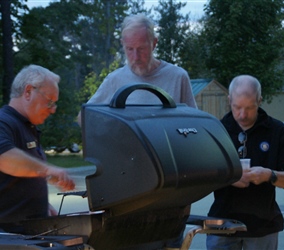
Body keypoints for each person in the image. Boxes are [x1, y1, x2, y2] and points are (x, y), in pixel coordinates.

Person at [77, 13, 197, 249]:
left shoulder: (177, 77)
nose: (135, 57)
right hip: (129, 189)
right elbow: (85, 119)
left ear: (154, 43)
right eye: (129, 49)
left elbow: (192, 128)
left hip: (170, 191)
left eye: (141, 49)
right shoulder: (115, 81)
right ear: (122, 45)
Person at [206, 75, 284, 250]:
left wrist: (269, 175)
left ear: (259, 101)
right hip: (222, 223)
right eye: (237, 107)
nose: (242, 115)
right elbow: (201, 176)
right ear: (229, 100)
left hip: (263, 225)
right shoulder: (216, 130)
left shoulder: (277, 131)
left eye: (250, 108)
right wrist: (229, 178)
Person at [0, 64, 75, 232]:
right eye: (49, 102)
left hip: (32, 232)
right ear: (28, 92)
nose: (53, 110)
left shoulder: (28, 127)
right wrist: (47, 169)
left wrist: (41, 204)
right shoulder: (4, 122)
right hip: (8, 237)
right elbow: (4, 158)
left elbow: (15, 181)